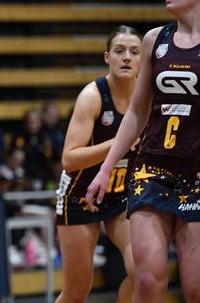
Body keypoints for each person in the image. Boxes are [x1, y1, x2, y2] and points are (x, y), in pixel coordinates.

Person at [85, 0, 200, 302]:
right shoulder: (154, 39)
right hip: (152, 168)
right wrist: (106, 167)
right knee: (147, 280)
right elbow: (137, 114)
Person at [56, 25, 141, 303]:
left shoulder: (149, 95)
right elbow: (69, 159)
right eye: (119, 51)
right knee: (77, 291)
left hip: (121, 196)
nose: (126, 57)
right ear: (107, 57)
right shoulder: (92, 96)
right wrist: (119, 143)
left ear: (143, 59)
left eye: (134, 52)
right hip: (80, 195)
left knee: (143, 272)